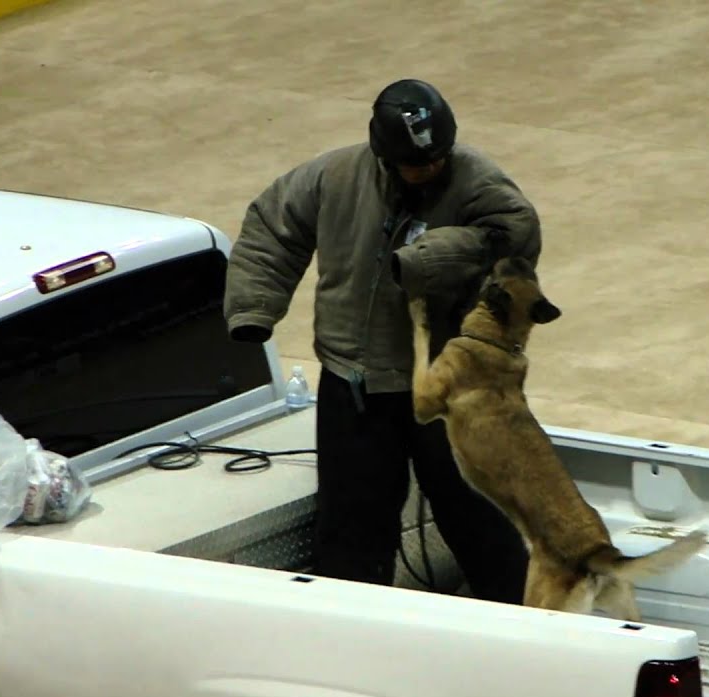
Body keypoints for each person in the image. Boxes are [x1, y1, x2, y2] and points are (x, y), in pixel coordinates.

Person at [222, 78, 541, 604]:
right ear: (383, 154)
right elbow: (273, 230)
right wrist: (255, 308)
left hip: (448, 385)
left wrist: (429, 257)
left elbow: (516, 236)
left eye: (437, 158)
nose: (430, 169)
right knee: (352, 527)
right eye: (416, 164)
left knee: (477, 516)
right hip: (356, 383)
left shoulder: (476, 179)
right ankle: (355, 627)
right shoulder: (334, 175)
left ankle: (519, 619)